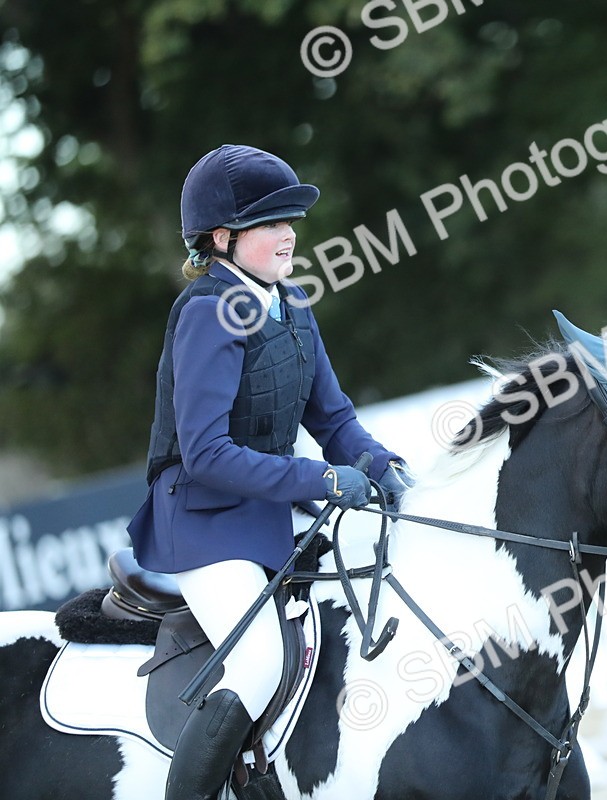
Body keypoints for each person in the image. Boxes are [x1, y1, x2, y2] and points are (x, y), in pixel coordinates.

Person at [125, 144, 410, 800]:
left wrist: (382, 466)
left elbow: (333, 420)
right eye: (271, 223)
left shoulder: (294, 303)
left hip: (266, 513)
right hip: (201, 521)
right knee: (258, 664)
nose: (289, 235)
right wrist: (322, 481)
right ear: (221, 238)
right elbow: (206, 454)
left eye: (291, 223)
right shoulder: (207, 313)